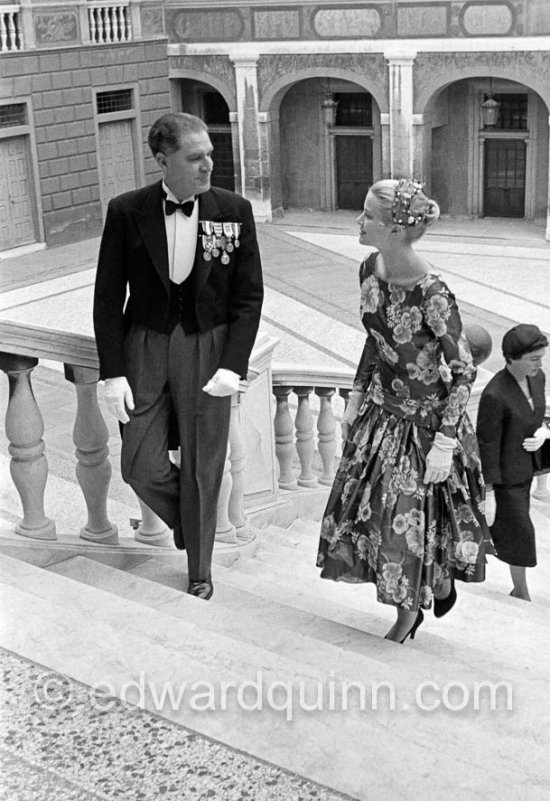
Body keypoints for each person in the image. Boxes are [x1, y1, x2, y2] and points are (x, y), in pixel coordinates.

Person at [93, 112, 263, 600]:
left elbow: (249, 298)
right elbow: (108, 297)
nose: (208, 165)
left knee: (205, 462)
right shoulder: (127, 210)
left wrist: (233, 364)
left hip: (208, 344)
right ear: (163, 160)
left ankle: (199, 568)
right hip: (145, 342)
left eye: (210, 154)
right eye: (195, 158)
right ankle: (191, 522)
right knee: (138, 465)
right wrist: (113, 372)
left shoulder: (234, 210)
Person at [317, 178, 491, 643]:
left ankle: (407, 613)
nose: (358, 220)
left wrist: (446, 443)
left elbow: (464, 372)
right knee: (368, 518)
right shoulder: (369, 269)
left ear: (394, 228)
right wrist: (356, 394)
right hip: (380, 417)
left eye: (368, 216)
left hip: (427, 427)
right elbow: (376, 339)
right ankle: (433, 588)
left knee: (406, 527)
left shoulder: (434, 293)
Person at [476, 324, 549, 601]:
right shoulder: (495, 395)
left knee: (517, 531)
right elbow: (488, 443)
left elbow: (534, 416)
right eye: (533, 358)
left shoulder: (538, 378)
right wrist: (490, 490)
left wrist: (544, 433)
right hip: (506, 477)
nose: (540, 364)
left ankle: (519, 589)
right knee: (521, 531)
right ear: (514, 357)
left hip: (528, 469)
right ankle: (521, 591)